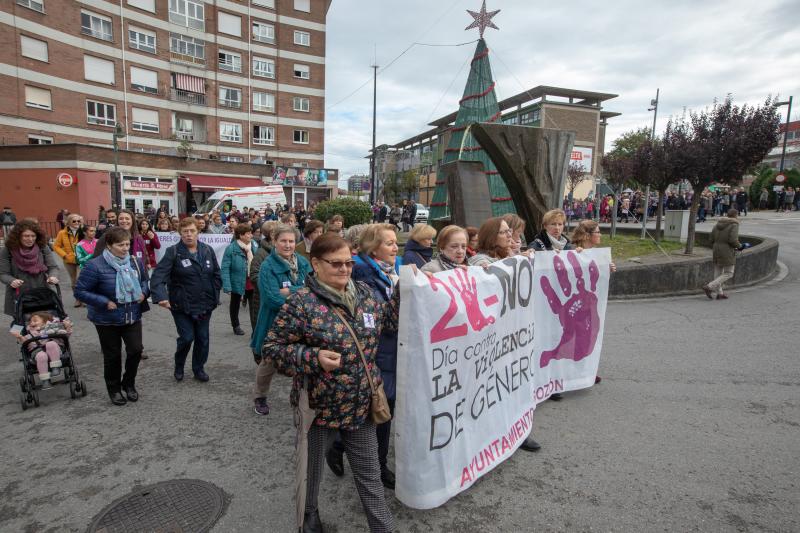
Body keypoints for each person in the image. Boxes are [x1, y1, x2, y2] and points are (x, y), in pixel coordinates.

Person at [263, 233, 397, 533]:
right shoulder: (301, 302)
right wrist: (312, 357)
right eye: (336, 264)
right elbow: (272, 349)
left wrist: (407, 291)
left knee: (369, 471)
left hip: (361, 400)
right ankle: (309, 514)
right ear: (316, 264)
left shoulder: (363, 293)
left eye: (349, 262)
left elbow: (390, 322)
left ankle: (383, 527)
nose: (345, 269)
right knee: (311, 469)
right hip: (318, 403)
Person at [351, 223, 401, 489]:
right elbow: (380, 318)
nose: (396, 247)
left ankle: (340, 447)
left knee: (382, 408)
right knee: (383, 409)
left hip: (391, 350)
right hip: (377, 351)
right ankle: (378, 467)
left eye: (395, 242)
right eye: (389, 243)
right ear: (373, 247)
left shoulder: (392, 269)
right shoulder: (362, 272)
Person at [75, 227, 149, 405]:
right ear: (108, 245)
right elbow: (80, 291)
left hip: (131, 314)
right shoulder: (95, 265)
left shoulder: (135, 262)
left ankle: (128, 384)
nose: (125, 248)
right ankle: (114, 389)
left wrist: (144, 293)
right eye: (120, 245)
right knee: (112, 356)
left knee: (136, 350)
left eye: (127, 244)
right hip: (106, 318)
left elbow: (145, 281)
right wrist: (103, 301)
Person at [250, 224, 311, 416]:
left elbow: (312, 288)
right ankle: (260, 397)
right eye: (283, 241)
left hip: (300, 323)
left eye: (291, 241)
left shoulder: (302, 262)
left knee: (303, 360)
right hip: (274, 323)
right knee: (269, 363)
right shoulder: (267, 266)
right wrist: (300, 294)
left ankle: (302, 398)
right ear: (274, 241)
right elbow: (272, 299)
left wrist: (290, 291)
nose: (287, 245)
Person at [151, 218, 221, 382]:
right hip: (181, 305)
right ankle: (179, 365)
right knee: (187, 337)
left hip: (205, 304)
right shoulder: (173, 252)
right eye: (185, 232)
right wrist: (161, 297)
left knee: (203, 338)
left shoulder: (207, 250)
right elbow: (158, 277)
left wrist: (214, 292)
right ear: (180, 233)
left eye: (192, 231)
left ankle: (198, 368)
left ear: (198, 232)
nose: (189, 235)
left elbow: (216, 274)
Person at [1, 220, 60, 318]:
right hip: (19, 293)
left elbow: (52, 267)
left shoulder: (42, 247)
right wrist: (12, 280)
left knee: (43, 324)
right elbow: (3, 273)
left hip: (41, 290)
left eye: (33, 236)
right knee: (22, 325)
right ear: (18, 236)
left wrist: (52, 276)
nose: (30, 239)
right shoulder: (8, 249)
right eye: (26, 236)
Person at [11, 311, 72, 390]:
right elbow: (24, 342)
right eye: (30, 321)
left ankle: (55, 367)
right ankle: (45, 380)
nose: (32, 323)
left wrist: (67, 327)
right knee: (41, 355)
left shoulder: (54, 330)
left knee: (51, 344)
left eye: (35, 320)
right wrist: (19, 337)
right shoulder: (30, 335)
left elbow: (66, 335)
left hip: (56, 353)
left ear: (46, 321)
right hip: (38, 353)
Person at [221, 223, 257, 336]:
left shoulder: (254, 245)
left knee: (254, 306)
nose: (251, 235)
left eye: (251, 233)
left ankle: (255, 328)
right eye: (248, 234)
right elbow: (225, 267)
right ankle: (235, 325)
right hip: (237, 280)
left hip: (252, 280)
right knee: (235, 303)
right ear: (241, 236)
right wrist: (227, 285)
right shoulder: (231, 248)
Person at [703, 209, 740, 301]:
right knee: (729, 272)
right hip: (726, 250)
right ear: (735, 215)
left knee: (718, 271)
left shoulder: (717, 224)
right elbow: (733, 240)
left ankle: (720, 294)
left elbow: (711, 239)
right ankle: (709, 286)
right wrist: (740, 246)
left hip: (716, 249)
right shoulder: (734, 224)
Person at [54, 214, 83, 307]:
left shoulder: (83, 231)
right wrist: (64, 255)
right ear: (69, 222)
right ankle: (78, 299)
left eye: (78, 221)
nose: (76, 223)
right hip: (69, 261)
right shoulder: (62, 233)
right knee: (74, 280)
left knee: (81, 279)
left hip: (82, 260)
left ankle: (84, 298)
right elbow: (56, 246)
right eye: (74, 221)